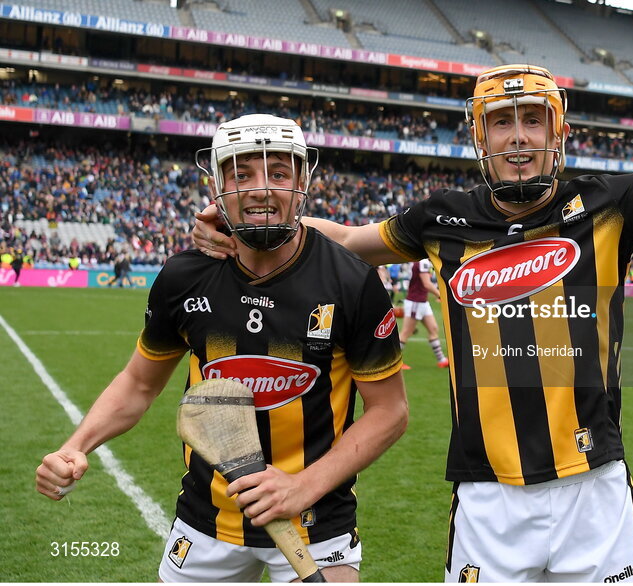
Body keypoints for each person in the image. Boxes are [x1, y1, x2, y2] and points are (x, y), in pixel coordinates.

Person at [195, 0, 633, 582]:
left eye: (534, 120)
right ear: (480, 137)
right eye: (502, 123)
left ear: (558, 133)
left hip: (594, 490)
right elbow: (348, 239)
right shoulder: (441, 219)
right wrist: (248, 222)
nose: (520, 138)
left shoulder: (608, 205)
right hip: (487, 494)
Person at [37, 114, 408, 583]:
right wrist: (75, 447)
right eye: (242, 173)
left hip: (316, 522)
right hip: (205, 520)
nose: (260, 188)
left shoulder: (351, 280)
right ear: (217, 184)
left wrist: (302, 486)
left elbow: (390, 412)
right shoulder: (184, 276)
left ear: (302, 181)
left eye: (278, 173)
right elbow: (137, 384)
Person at [400, 259, 448, 369]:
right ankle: (394, 363)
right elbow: (427, 283)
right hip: (415, 301)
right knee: (406, 332)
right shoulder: (423, 261)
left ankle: (442, 360)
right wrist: (440, 295)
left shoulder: (422, 261)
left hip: (422, 302)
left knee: (433, 329)